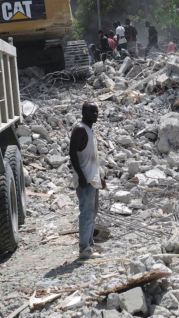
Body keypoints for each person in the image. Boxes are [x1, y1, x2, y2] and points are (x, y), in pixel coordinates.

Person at [69, 102, 107, 259]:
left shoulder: (90, 131)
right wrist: (82, 177)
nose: (95, 115)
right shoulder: (80, 130)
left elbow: (94, 159)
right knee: (86, 214)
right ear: (84, 113)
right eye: (92, 112)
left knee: (92, 213)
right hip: (85, 181)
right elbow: (72, 154)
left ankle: (89, 244)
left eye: (97, 112)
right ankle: (84, 248)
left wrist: (100, 177)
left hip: (93, 179)